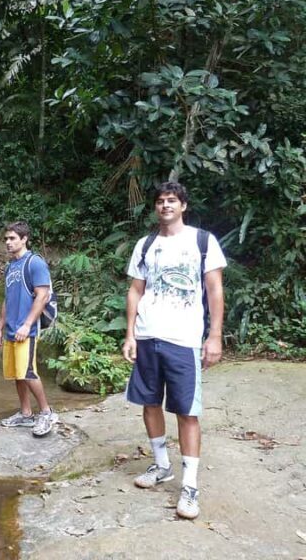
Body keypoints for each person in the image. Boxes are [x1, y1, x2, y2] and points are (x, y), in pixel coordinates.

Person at [122, 181, 226, 520]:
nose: (165, 205)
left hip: (183, 339)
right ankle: (162, 464)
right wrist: (130, 335)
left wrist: (214, 336)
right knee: (149, 402)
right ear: (155, 208)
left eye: (172, 200)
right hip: (148, 336)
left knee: (187, 411)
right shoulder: (146, 244)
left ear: (183, 206)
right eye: (160, 201)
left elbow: (214, 290)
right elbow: (135, 291)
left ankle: (190, 486)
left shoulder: (202, 241)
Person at [0, 221, 58, 437]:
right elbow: (7, 299)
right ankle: (26, 413)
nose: (8, 243)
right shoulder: (10, 266)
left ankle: (47, 412)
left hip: (26, 329)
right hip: (11, 328)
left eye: (12, 238)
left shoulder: (35, 263)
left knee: (28, 372)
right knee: (16, 375)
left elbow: (42, 296)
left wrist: (28, 324)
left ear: (24, 239)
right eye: (6, 239)